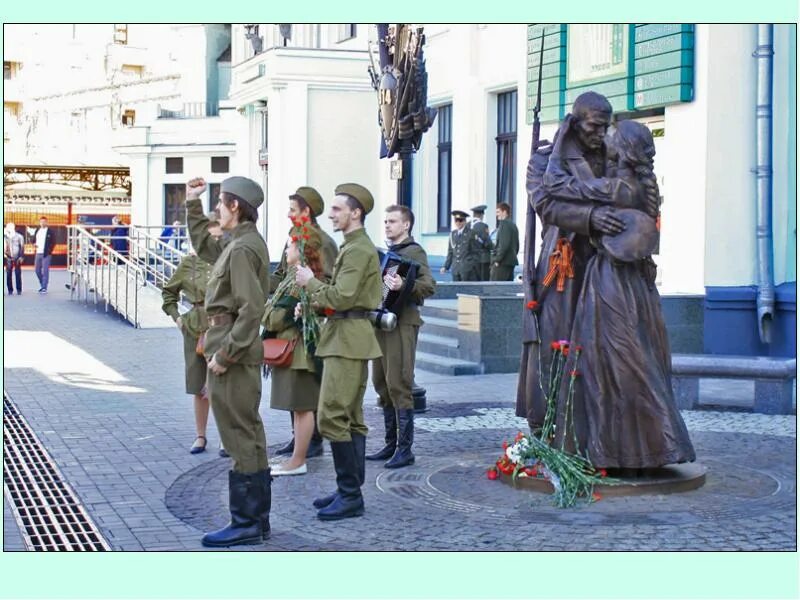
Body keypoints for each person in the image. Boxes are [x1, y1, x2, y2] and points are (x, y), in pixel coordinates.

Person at [554, 120, 694, 470]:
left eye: (612, 138)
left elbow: (557, 184)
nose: (605, 139)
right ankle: (636, 448)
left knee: (616, 359)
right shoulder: (639, 187)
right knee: (624, 356)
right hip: (634, 284)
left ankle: (631, 449)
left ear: (625, 150)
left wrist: (560, 143)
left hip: (612, 281)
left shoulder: (618, 188)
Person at [185, 175, 272, 548]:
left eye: (220, 202)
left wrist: (225, 354)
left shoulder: (241, 249)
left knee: (239, 435)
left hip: (231, 352)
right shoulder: (239, 243)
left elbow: (252, 310)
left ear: (234, 206)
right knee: (247, 433)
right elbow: (205, 244)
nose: (216, 209)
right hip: (230, 347)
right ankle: (255, 520)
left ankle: (246, 521)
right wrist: (192, 201)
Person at [295, 183, 382, 521]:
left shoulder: (358, 250)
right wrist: (315, 305)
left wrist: (309, 282)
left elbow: (344, 296)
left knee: (332, 414)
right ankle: (349, 489)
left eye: (336, 209)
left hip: (348, 339)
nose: (330, 214)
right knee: (350, 417)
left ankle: (350, 495)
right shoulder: (353, 247)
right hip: (347, 335)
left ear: (355, 213)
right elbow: (345, 296)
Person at [270, 186, 338, 460]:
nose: (288, 215)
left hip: (313, 322)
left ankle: (313, 439)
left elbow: (332, 282)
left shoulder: (323, 242)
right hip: (291, 320)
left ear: (306, 211)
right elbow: (280, 275)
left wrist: (310, 303)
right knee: (293, 385)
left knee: (308, 385)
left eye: (293, 210)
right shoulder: (293, 237)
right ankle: (299, 437)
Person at [367, 205, 435, 468]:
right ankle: (390, 443)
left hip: (403, 324)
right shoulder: (387, 254)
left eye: (392, 221)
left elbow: (429, 286)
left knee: (399, 383)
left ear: (406, 225)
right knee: (381, 384)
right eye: (385, 221)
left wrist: (403, 284)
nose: (387, 225)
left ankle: (405, 450)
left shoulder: (414, 252)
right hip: (381, 324)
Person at [262, 228, 326, 476]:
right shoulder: (292, 276)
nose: (286, 250)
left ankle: (299, 460)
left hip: (299, 351)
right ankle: (297, 458)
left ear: (300, 251)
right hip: (294, 349)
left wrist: (267, 312)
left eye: (289, 246)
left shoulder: (299, 278)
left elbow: (276, 318)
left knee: (302, 407)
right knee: (299, 408)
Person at [161, 213, 223, 455]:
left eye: (219, 237)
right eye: (212, 236)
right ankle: (201, 436)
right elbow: (168, 293)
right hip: (194, 328)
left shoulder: (226, 260)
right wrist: (178, 318)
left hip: (220, 327)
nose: (216, 241)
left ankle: (226, 439)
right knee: (200, 387)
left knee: (221, 385)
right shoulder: (188, 263)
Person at [440, 210, 480, 281]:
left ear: (464, 221)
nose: (458, 223)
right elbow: (450, 253)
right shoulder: (453, 234)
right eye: (456, 220)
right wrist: (445, 266)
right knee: (456, 290)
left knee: (465, 291)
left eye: (460, 220)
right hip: (455, 270)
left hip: (467, 270)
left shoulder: (471, 233)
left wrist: (470, 265)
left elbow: (476, 253)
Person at [490, 202, 519, 281]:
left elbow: (503, 245)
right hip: (510, 263)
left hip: (502, 264)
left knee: (495, 290)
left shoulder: (504, 224)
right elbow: (517, 246)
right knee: (507, 291)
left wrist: (497, 260)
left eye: (498, 212)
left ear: (504, 212)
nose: (497, 214)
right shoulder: (513, 225)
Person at [28, 216, 55, 294]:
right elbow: (33, 240)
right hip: (38, 252)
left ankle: (44, 287)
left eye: (44, 222)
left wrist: (50, 251)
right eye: (41, 222)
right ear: (39, 223)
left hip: (46, 253)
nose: (43, 223)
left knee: (45, 271)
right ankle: (42, 283)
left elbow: (53, 242)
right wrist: (34, 244)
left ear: (47, 222)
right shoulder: (37, 230)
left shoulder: (50, 231)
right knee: (37, 270)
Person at [470, 204, 492, 281]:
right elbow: (488, 243)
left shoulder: (467, 225)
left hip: (470, 259)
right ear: (482, 215)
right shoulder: (483, 226)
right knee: (483, 282)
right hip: (482, 259)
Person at [5, 223, 25, 295]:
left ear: (12, 228)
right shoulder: (5, 236)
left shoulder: (19, 236)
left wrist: (21, 256)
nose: (6, 228)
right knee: (8, 273)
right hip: (8, 256)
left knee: (18, 273)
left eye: (7, 227)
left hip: (17, 257)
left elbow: (22, 247)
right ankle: (10, 289)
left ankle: (19, 289)